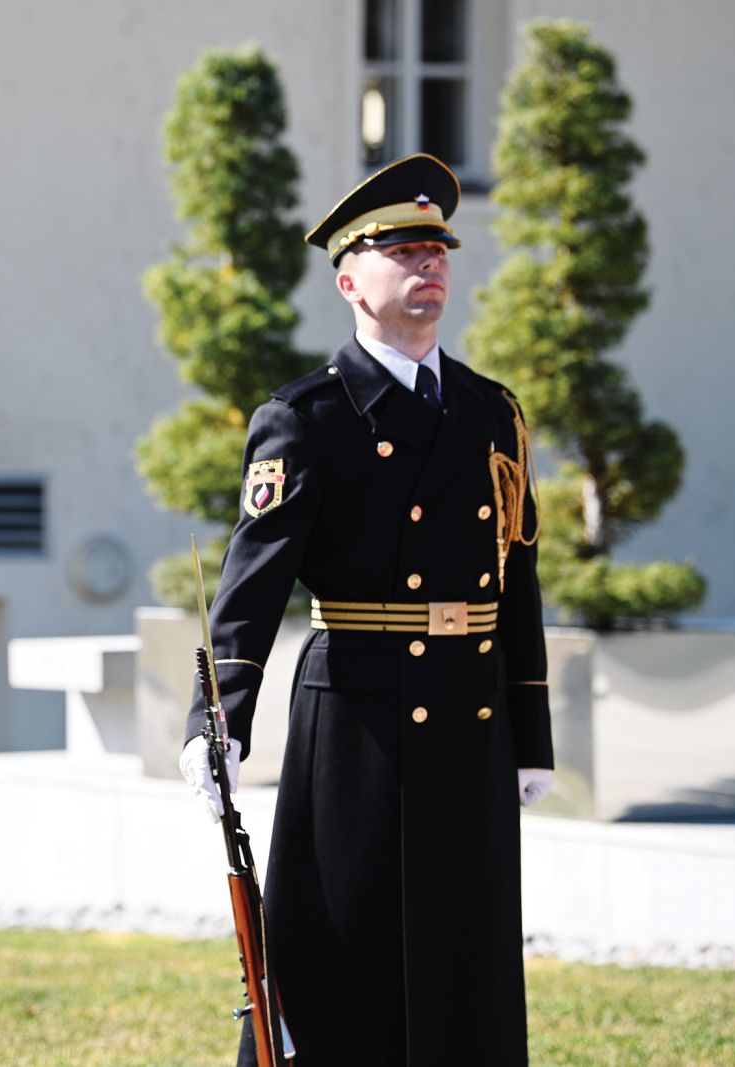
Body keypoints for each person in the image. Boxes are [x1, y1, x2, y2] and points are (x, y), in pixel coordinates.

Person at [179, 154, 555, 1065]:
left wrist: (531, 732)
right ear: (350, 279)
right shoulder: (308, 416)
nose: (428, 267)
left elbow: (518, 580)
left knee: (465, 957)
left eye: (438, 251)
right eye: (401, 250)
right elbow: (253, 579)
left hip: (470, 719)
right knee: (339, 950)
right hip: (358, 718)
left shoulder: (489, 412)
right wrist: (216, 717)